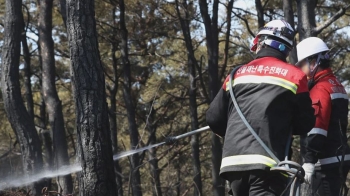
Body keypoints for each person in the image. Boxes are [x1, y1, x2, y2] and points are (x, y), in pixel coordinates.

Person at [206, 20, 315, 196]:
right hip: (268, 166)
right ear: (286, 49)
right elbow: (306, 123)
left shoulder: (234, 75)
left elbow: (213, 119)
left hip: (233, 165)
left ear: (260, 43)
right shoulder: (295, 77)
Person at [296, 37, 350, 196]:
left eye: (302, 65)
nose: (301, 70)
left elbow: (317, 128)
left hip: (326, 163)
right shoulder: (336, 84)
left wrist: (309, 160)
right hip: (338, 158)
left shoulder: (320, 89)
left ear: (314, 62)